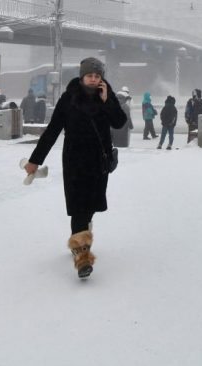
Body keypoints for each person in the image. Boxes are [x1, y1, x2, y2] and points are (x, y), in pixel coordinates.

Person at [23, 57, 126, 279]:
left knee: (88, 208)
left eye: (97, 76)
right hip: (75, 163)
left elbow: (119, 123)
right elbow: (52, 131)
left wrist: (108, 101)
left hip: (99, 163)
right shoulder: (68, 99)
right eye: (90, 75)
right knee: (79, 208)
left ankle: (81, 239)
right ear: (82, 76)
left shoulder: (106, 97)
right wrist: (35, 160)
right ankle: (82, 258)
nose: (93, 79)